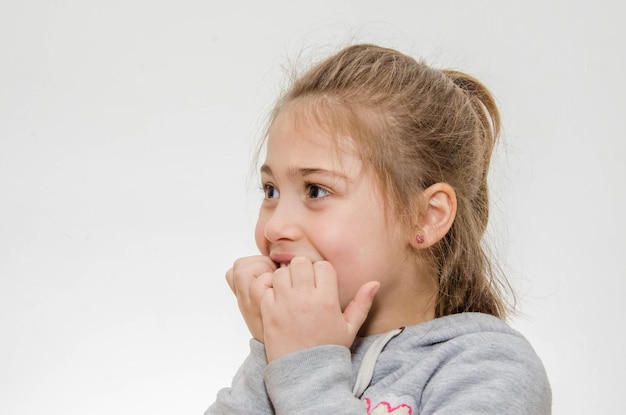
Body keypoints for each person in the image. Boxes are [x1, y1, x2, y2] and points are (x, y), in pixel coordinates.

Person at [205, 43, 551, 414]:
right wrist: (268, 351)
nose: (274, 227)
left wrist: (305, 369)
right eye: (270, 191)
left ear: (427, 217)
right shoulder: (287, 356)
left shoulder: (491, 369)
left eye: (316, 190)